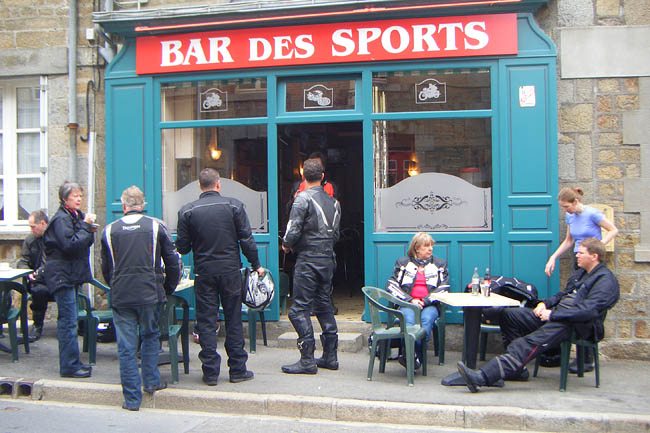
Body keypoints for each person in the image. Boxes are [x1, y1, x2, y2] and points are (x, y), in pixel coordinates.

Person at [456, 238, 620, 393]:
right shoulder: (581, 274)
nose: (576, 254)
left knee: (531, 341)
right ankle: (516, 369)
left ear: (594, 256)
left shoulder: (605, 280)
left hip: (577, 325)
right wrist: (544, 304)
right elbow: (562, 295)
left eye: (581, 252)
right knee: (510, 314)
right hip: (557, 316)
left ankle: (483, 377)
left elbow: (588, 311)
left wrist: (554, 315)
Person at [176, 168, 263, 386]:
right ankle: (237, 369)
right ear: (218, 184)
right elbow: (246, 240)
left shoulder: (187, 211)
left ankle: (210, 372)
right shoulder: (233, 206)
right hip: (230, 270)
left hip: (204, 271)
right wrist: (256, 265)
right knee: (233, 318)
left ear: (200, 186)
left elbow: (183, 247)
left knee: (206, 320)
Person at [100, 186, 181, 411]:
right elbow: (172, 261)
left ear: (124, 206)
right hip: (149, 292)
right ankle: (151, 381)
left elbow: (106, 268)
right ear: (142, 205)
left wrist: (114, 286)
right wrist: (167, 288)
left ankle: (132, 399)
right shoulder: (155, 227)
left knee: (126, 346)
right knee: (150, 336)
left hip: (122, 294)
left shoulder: (109, 231)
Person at [281, 158, 341, 374]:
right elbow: (335, 234)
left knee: (298, 309)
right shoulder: (334, 202)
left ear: (303, 176)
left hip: (308, 260)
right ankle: (330, 356)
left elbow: (293, 230)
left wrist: (287, 245)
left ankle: (307, 359)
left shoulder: (302, 199)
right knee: (324, 305)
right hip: (327, 259)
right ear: (323, 176)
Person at [43, 181, 97, 379]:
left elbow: (85, 243)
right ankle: (69, 366)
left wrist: (88, 228)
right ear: (65, 199)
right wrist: (85, 227)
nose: (79, 199)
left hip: (71, 274)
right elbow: (69, 245)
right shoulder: (60, 219)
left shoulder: (75, 217)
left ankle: (73, 362)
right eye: (75, 196)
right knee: (68, 322)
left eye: (80, 196)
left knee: (70, 320)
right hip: (62, 275)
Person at [385, 232, 449, 369]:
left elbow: (444, 287)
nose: (430, 249)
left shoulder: (440, 264)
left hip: (429, 305)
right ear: (416, 248)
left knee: (426, 321)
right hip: (408, 304)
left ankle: (413, 355)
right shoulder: (403, 263)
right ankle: (414, 356)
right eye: (426, 246)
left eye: (431, 246)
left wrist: (425, 301)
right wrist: (410, 300)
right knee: (408, 320)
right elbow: (392, 285)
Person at [545, 187, 618, 277]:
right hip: (578, 257)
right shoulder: (569, 216)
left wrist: (599, 246)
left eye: (566, 206)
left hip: (592, 258)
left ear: (575, 202)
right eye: (562, 207)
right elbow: (569, 240)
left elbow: (613, 230)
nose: (565, 210)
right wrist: (553, 257)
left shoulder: (592, 213)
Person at [16, 209, 50, 341]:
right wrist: (29, 273)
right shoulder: (30, 240)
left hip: (54, 279)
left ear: (42, 223)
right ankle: (37, 326)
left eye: (33, 227)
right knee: (38, 291)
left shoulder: (54, 238)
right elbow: (23, 261)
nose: (31, 230)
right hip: (37, 281)